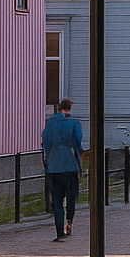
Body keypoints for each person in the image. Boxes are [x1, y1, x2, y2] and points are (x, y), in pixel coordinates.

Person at [42, 98, 84, 243]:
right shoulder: (74, 123)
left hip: (53, 167)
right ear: (69, 109)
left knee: (57, 200)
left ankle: (59, 231)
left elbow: (45, 142)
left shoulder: (49, 123)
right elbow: (78, 141)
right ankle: (69, 223)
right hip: (70, 165)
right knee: (71, 197)